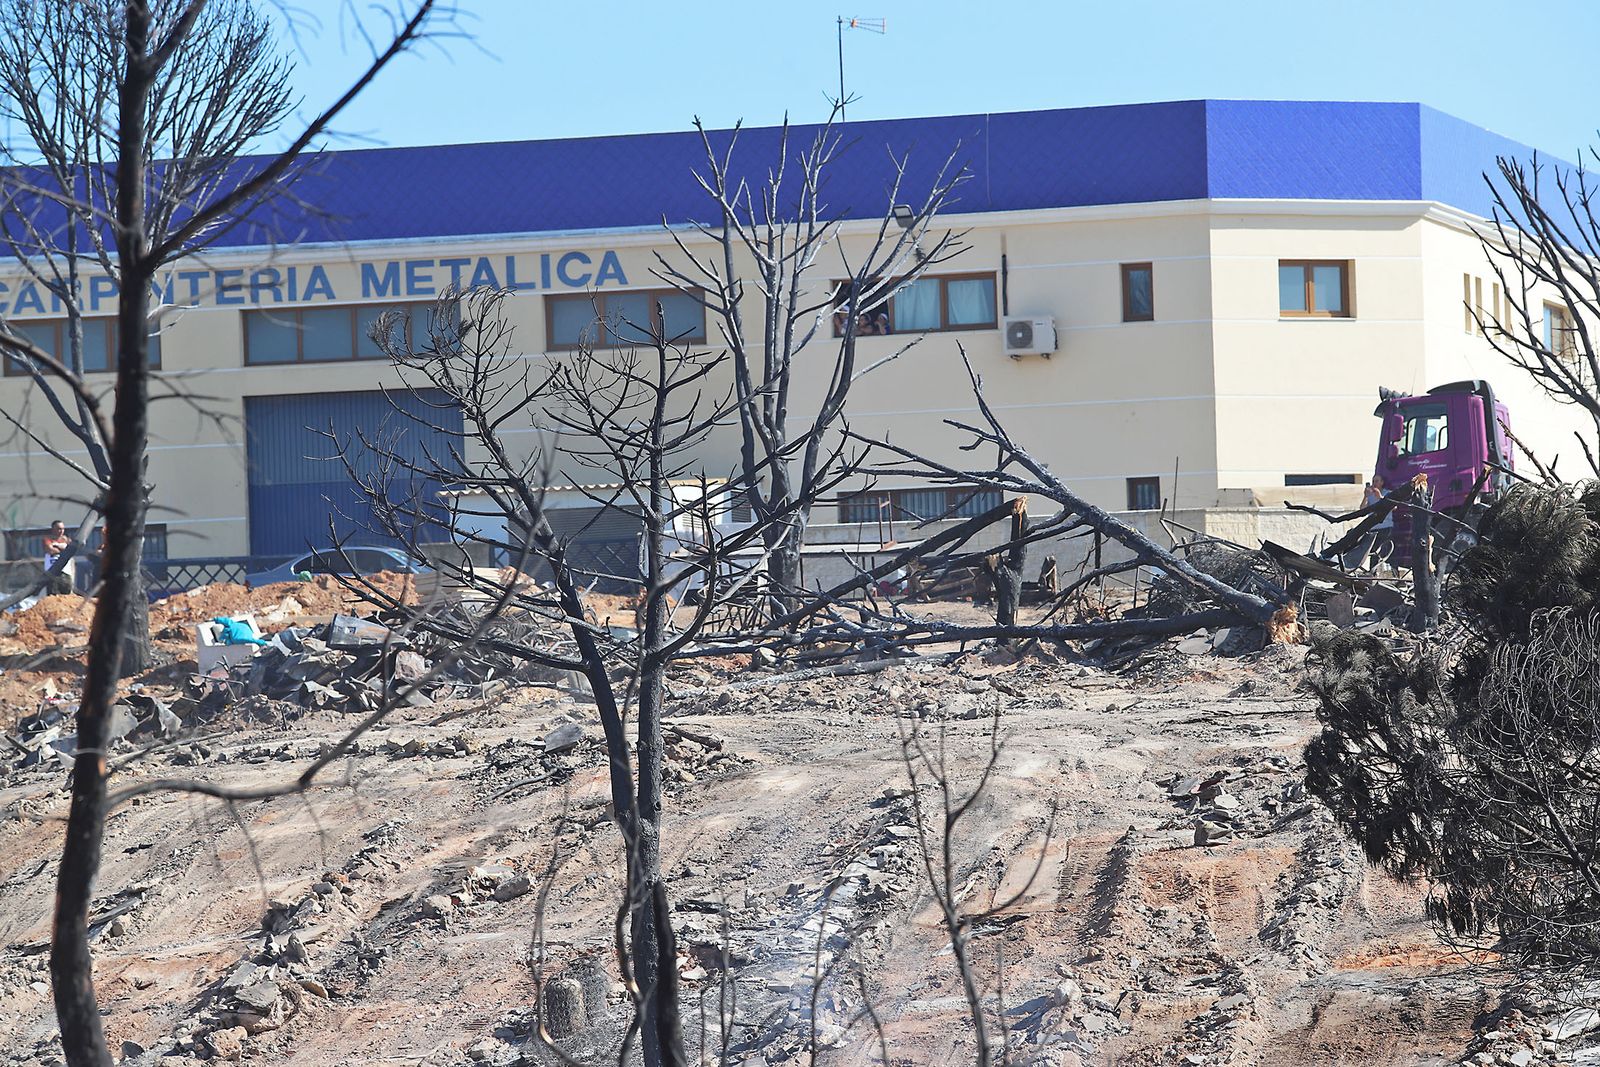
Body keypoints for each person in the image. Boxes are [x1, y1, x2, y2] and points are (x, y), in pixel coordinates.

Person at [42, 520, 72, 595]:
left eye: (62, 529)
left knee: (66, 595)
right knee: (53, 594)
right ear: (53, 529)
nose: (61, 531)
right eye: (58, 529)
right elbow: (50, 550)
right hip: (52, 571)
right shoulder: (47, 539)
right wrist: (64, 548)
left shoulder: (67, 539)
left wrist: (57, 545)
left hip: (65, 572)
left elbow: (71, 550)